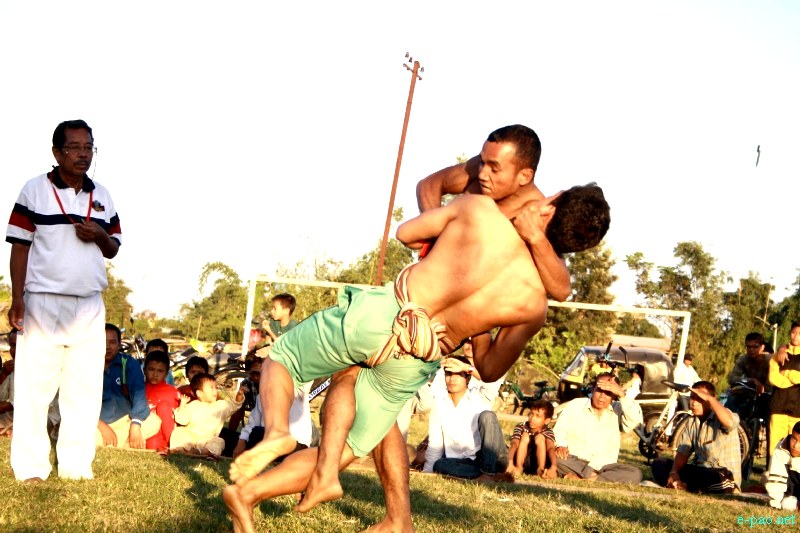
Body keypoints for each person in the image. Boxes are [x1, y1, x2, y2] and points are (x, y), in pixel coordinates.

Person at [225, 182, 610, 532]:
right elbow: (490, 368)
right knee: (346, 449)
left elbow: (407, 233)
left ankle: (277, 434)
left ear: (551, 203)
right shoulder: (533, 305)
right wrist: (475, 325)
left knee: (283, 357)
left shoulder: (479, 210)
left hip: (390, 313)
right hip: (418, 355)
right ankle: (250, 493)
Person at [6, 119, 121, 481]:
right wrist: (18, 296)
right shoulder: (34, 190)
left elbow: (113, 248)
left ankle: (76, 466)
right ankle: (31, 467)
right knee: (34, 388)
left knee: (84, 388)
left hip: (89, 302)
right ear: (57, 152)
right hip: (43, 300)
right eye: (74, 147)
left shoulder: (102, 195)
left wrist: (99, 234)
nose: (83, 154)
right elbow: (19, 247)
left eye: (89, 147)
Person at [422, 356, 510, 481]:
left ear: (468, 378)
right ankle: (486, 476)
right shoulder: (439, 403)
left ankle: (488, 474)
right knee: (439, 465)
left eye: (458, 374)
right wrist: (428, 472)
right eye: (449, 374)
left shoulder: (480, 397)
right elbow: (435, 443)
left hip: (493, 457)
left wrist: (466, 367)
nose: (452, 379)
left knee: (487, 416)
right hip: (466, 463)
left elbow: (493, 380)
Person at [651, 381, 741, 493]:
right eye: (692, 398)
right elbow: (683, 453)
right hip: (699, 471)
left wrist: (710, 399)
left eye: (699, 399)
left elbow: (729, 422)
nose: (693, 403)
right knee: (659, 463)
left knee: (713, 478)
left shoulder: (723, 415)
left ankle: (687, 486)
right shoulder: (691, 422)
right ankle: (681, 484)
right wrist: (674, 472)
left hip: (722, 476)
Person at [554, 373, 643, 484]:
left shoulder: (618, 409)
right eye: (599, 390)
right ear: (593, 389)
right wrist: (561, 445)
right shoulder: (576, 405)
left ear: (614, 396)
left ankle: (586, 479)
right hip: (575, 461)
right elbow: (560, 429)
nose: (602, 396)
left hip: (604, 467)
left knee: (636, 474)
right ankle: (596, 478)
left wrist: (622, 394)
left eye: (608, 393)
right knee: (554, 457)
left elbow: (634, 421)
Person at [96, 324, 161, 449]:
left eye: (112, 342)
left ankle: (114, 443)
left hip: (125, 421)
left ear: (119, 344)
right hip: (96, 422)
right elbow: (79, 403)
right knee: (84, 433)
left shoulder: (129, 363)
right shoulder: (87, 364)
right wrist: (102, 427)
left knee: (154, 421)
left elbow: (139, 397)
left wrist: (135, 426)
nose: (107, 347)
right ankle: (123, 443)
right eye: (103, 342)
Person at [170, 373, 245, 457]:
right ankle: (180, 449)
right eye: (211, 388)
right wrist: (182, 405)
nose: (215, 391)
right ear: (199, 393)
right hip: (191, 436)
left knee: (219, 442)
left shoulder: (221, 406)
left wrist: (239, 395)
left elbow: (234, 406)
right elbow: (182, 420)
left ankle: (203, 452)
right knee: (179, 431)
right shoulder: (192, 405)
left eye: (216, 387)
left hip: (208, 439)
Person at [232, 382, 313, 460]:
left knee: (257, 433)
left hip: (294, 446)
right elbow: (252, 424)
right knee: (228, 436)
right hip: (267, 443)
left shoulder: (298, 390)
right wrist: (241, 442)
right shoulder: (262, 395)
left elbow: (305, 376)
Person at [767, 321, 800, 453]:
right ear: (790, 333)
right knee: (775, 446)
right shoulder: (778, 355)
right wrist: (794, 380)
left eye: (799, 333)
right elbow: (773, 377)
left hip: (797, 408)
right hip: (778, 405)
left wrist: (786, 373)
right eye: (794, 332)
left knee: (796, 446)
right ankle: (773, 466)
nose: (796, 336)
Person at [506, 399, 557, 479]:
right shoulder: (521, 427)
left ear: (547, 421)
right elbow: (514, 444)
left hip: (536, 461)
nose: (532, 418)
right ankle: (519, 467)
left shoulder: (548, 431)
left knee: (540, 437)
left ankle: (540, 469)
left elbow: (551, 448)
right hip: (522, 460)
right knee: (525, 436)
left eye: (538, 416)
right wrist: (510, 462)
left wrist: (553, 467)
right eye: (531, 414)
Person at [143, 350, 180, 453]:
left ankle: (171, 446)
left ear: (166, 373)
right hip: (142, 432)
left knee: (164, 406)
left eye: (160, 371)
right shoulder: (137, 389)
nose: (155, 374)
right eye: (151, 369)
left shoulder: (173, 393)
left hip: (163, 438)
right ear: (144, 370)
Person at [765, 421, 800, 510]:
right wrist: (775, 505)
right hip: (791, 492)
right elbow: (777, 480)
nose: (795, 446)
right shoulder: (781, 448)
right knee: (786, 504)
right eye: (794, 439)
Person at [0, 329, 18, 436]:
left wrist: (10, 405)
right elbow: (2, 397)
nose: (15, 350)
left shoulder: (44, 368)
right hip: (10, 416)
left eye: (20, 346)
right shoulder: (9, 368)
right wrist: (3, 374)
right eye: (13, 345)